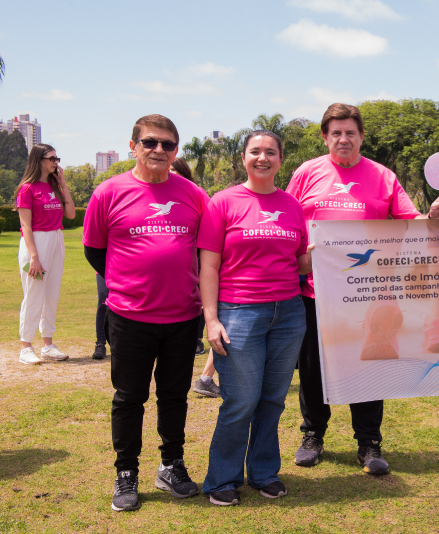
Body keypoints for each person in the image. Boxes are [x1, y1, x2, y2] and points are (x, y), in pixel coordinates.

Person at [286, 103, 439, 475]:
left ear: (361, 136)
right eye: (336, 133)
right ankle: (313, 434)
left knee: (369, 363)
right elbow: (288, 219)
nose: (343, 139)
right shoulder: (306, 173)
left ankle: (369, 443)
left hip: (369, 292)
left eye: (350, 132)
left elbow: (411, 221)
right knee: (313, 368)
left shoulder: (382, 176)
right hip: (314, 292)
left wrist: (433, 216)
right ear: (325, 137)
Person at [83, 114, 209, 512]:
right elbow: (95, 251)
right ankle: (126, 472)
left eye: (167, 144)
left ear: (175, 151)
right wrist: (129, 283)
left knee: (174, 396)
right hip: (129, 316)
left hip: (183, 316)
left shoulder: (193, 194)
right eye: (150, 142)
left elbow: (208, 251)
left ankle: (171, 465)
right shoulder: (108, 192)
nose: (158, 150)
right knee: (129, 398)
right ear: (133, 146)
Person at [198, 130, 312, 506]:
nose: (263, 158)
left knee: (273, 400)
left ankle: (263, 472)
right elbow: (208, 266)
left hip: (288, 313)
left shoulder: (292, 205)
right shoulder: (223, 202)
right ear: (244, 157)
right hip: (239, 312)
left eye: (271, 152)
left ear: (281, 160)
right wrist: (211, 320)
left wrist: (328, 251)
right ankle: (222, 479)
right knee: (241, 401)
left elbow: (300, 262)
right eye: (255, 151)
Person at [15, 144, 76, 364]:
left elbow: (70, 214)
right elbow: (26, 226)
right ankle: (25, 347)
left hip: (56, 239)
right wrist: (34, 257)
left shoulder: (54, 186)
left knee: (51, 294)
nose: (56, 162)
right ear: (39, 160)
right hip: (36, 243)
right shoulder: (27, 189)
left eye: (57, 158)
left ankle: (47, 345)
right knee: (34, 293)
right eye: (52, 158)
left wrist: (63, 185)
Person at [169, 157, 220, 397]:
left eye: (174, 171)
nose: (169, 175)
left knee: (222, 323)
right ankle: (206, 378)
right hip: (183, 280)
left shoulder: (196, 197)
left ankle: (206, 377)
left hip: (204, 271)